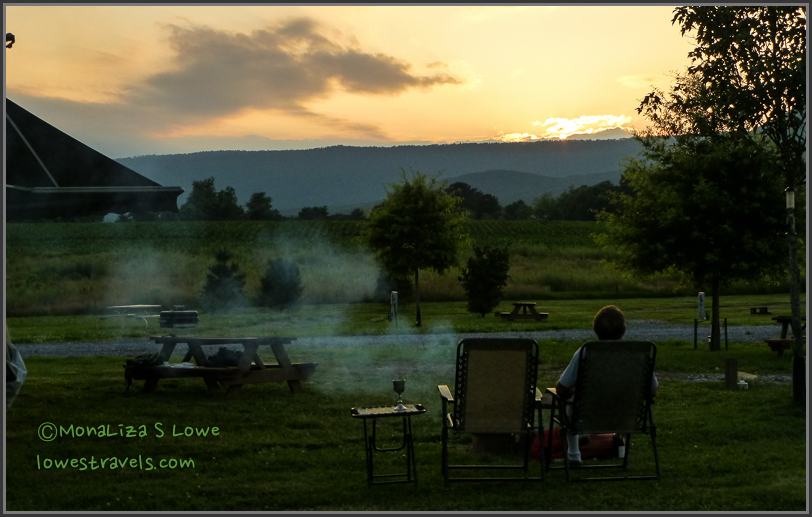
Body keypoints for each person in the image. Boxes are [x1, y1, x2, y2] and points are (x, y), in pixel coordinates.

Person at [555, 305, 658, 464]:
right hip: (627, 415)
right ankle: (619, 445)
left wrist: (565, 393)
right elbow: (653, 388)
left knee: (566, 404)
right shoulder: (638, 354)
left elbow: (562, 388)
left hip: (586, 416)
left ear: (595, 329)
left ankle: (574, 455)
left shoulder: (585, 352)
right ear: (623, 330)